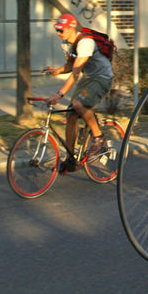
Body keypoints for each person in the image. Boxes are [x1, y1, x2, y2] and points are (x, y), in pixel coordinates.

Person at [46, 13, 114, 174]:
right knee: (70, 115)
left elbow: (75, 73)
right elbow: (70, 66)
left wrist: (59, 95)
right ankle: (70, 159)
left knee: (79, 104)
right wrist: (56, 71)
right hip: (88, 78)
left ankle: (98, 137)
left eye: (61, 30)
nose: (58, 33)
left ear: (71, 28)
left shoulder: (86, 42)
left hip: (101, 78)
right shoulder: (68, 44)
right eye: (57, 29)